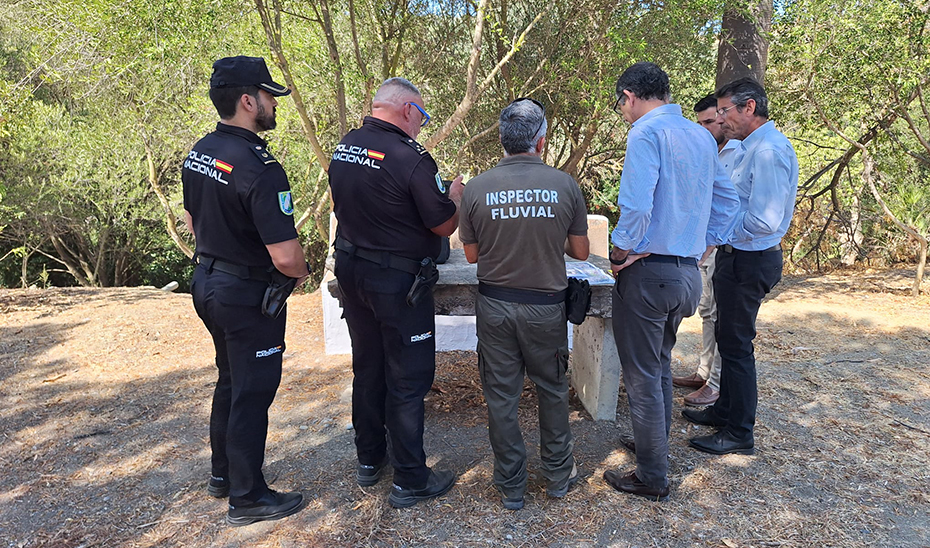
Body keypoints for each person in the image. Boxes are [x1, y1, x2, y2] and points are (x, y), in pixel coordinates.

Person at [601, 62, 739, 501]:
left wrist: (620, 252)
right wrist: (706, 243)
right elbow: (728, 198)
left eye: (620, 104)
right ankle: (651, 444)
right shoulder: (700, 133)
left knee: (642, 373)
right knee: (658, 362)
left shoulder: (645, 132)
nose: (623, 112)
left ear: (629, 96)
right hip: (685, 275)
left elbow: (637, 204)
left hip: (648, 274)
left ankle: (652, 476)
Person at [183, 56, 310, 526]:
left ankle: (224, 475)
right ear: (246, 101)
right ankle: (249, 496)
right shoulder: (261, 168)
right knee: (254, 391)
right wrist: (301, 271)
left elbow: (194, 222)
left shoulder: (201, 150)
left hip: (209, 283)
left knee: (231, 380)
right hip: (246, 294)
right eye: (269, 96)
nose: (274, 104)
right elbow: (285, 256)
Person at [329, 77, 463, 508]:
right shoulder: (411, 157)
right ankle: (410, 478)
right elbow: (443, 225)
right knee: (408, 378)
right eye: (422, 115)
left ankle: (370, 459)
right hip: (397, 282)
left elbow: (341, 205)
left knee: (368, 367)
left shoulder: (346, 145)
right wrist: (455, 197)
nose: (422, 124)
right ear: (407, 110)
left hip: (352, 271)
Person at [458, 98, 590, 510]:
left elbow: (471, 256)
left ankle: (511, 485)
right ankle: (556, 476)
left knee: (501, 396)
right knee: (552, 390)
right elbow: (581, 252)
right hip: (546, 308)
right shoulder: (565, 185)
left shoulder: (476, 188)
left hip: (495, 307)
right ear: (542, 141)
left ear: (502, 139)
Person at [685, 78, 799, 456]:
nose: (721, 119)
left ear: (749, 108)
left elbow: (765, 220)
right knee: (727, 338)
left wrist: (719, 233)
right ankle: (724, 411)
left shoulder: (768, 151)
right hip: (736, 256)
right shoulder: (745, 148)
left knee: (737, 347)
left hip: (751, 258)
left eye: (725, 111)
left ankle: (738, 433)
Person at [672, 93, 744, 407]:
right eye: (699, 123)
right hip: (702, 244)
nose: (705, 128)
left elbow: (731, 203)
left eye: (710, 121)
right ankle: (703, 372)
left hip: (724, 243)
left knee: (721, 317)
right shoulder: (704, 149)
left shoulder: (739, 153)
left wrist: (713, 242)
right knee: (706, 312)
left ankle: (715, 384)